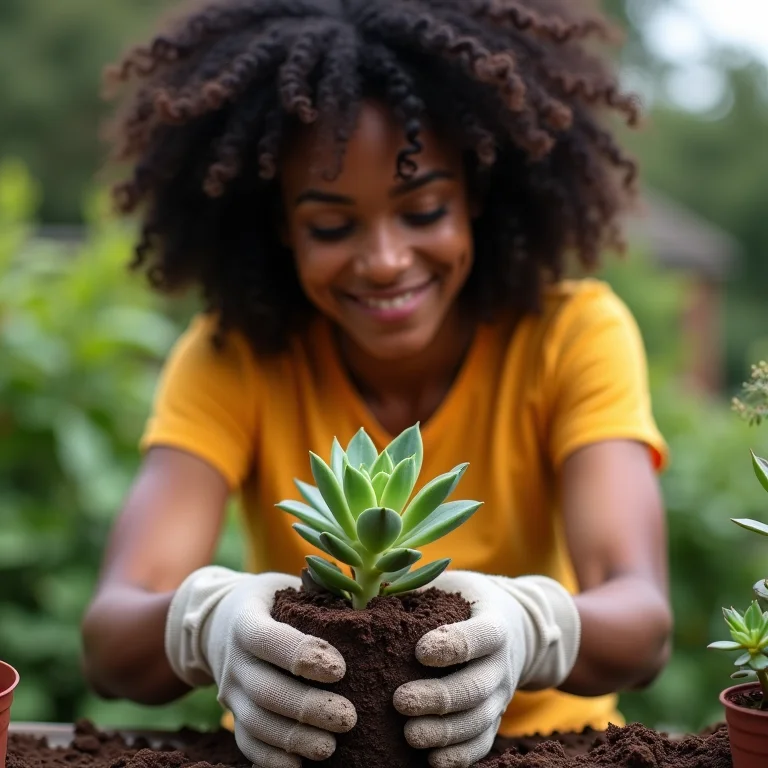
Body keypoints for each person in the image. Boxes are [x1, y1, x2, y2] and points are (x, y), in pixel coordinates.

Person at [80, 1, 673, 767]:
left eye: (423, 208)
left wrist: (532, 628)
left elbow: (643, 619)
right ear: (281, 229)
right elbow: (110, 637)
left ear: (477, 197)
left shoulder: (571, 335)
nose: (386, 260)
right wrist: (205, 625)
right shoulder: (236, 356)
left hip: (545, 746)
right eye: (332, 227)